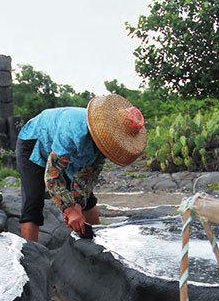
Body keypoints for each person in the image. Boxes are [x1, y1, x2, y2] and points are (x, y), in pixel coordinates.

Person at [16, 94, 147, 241]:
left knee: (88, 201)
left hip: (67, 151)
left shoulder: (106, 143)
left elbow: (86, 178)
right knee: (33, 201)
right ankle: (32, 257)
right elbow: (53, 176)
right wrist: (70, 210)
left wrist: (77, 206)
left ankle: (98, 245)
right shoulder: (73, 128)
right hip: (34, 139)